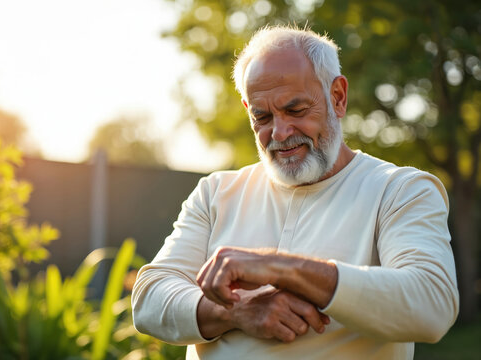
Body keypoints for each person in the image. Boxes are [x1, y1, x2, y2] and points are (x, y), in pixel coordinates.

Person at [132, 26, 459, 359]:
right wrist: (236, 313)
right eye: (261, 116)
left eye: (296, 110)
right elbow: (148, 300)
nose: (280, 132)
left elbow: (432, 305)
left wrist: (280, 267)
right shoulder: (216, 192)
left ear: (338, 97)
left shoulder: (401, 190)